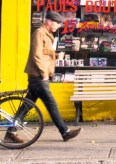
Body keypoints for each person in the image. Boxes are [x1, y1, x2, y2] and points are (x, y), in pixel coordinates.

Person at [10, 11, 81, 144]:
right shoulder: (39, 33)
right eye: (57, 23)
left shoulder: (47, 35)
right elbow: (36, 56)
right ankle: (65, 132)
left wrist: (57, 56)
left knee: (27, 105)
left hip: (39, 76)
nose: (58, 26)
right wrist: (44, 75)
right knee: (51, 103)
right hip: (38, 76)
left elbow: (45, 54)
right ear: (49, 22)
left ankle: (11, 130)